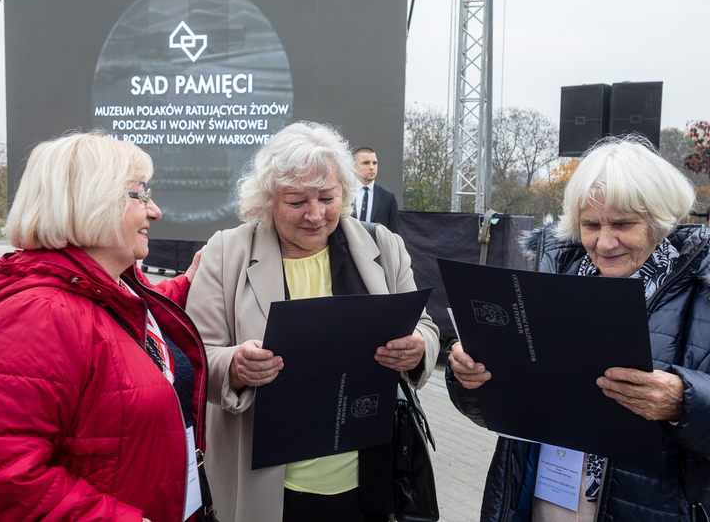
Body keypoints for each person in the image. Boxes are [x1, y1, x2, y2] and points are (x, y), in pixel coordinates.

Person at [0, 132, 209, 522]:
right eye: (140, 195)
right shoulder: (36, 316)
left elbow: (122, 324)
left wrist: (186, 284)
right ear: (93, 202)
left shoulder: (113, 285)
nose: (155, 211)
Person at [185, 122, 439, 522]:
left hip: (366, 479)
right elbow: (196, 357)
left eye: (327, 197)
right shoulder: (225, 252)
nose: (315, 214)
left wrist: (419, 347)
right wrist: (235, 365)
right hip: (268, 486)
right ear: (268, 198)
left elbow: (425, 326)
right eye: (296, 200)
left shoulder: (382, 245)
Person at [446, 136, 710, 522]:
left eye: (623, 224)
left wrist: (683, 402)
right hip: (538, 504)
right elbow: (498, 415)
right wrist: (469, 379)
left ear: (661, 219)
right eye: (590, 224)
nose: (604, 242)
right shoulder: (549, 276)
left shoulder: (703, 291)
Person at [353, 147, 400, 234]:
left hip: (376, 247)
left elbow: (394, 233)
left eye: (374, 163)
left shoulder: (388, 198)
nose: (371, 167)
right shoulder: (344, 193)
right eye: (366, 163)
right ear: (355, 167)